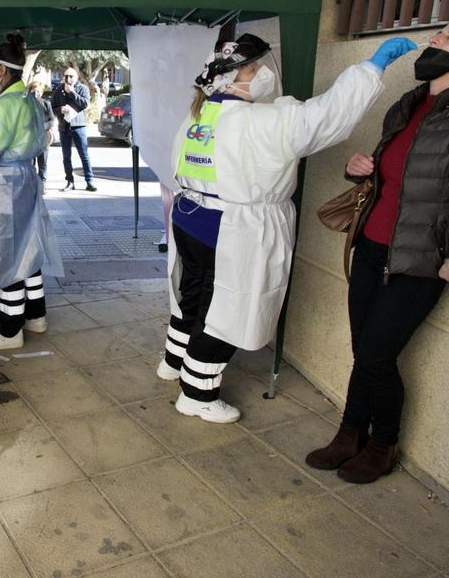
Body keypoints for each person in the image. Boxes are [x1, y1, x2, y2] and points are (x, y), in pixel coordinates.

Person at [305, 14, 449, 484]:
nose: (436, 38)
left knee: (376, 355)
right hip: (371, 247)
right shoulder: (407, 105)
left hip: (419, 262)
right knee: (364, 350)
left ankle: (382, 443)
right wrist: (360, 170)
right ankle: (350, 432)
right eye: (440, 31)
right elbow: (393, 177)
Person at [156, 33, 416, 423]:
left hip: (190, 221)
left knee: (192, 296)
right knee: (227, 312)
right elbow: (328, 115)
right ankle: (196, 393)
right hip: (232, 232)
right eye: (254, 67)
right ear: (236, 76)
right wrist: (371, 67)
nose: (262, 73)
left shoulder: (199, 115)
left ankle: (173, 361)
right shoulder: (265, 122)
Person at [0, 34, 63, 350]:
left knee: (7, 254)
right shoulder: (30, 101)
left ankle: (9, 330)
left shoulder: (6, 105)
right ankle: (36, 317)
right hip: (26, 179)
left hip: (5, 186)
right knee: (28, 249)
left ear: (2, 70)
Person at [51, 67, 96, 191]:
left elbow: (85, 103)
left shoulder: (82, 88)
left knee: (84, 155)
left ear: (76, 77)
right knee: (66, 156)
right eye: (66, 76)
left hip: (78, 126)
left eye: (71, 76)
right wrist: (60, 109)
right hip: (64, 127)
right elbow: (52, 107)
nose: (68, 78)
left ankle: (90, 181)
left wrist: (72, 92)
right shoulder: (58, 89)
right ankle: (70, 181)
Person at [27, 77, 56, 183]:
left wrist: (43, 126)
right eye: (33, 91)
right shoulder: (26, 104)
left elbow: (52, 120)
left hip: (43, 138)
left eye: (38, 91)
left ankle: (42, 183)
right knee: (31, 163)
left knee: (43, 162)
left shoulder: (46, 104)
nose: (36, 93)